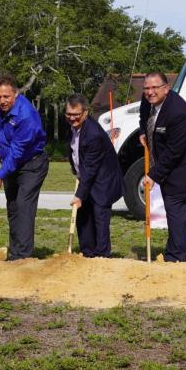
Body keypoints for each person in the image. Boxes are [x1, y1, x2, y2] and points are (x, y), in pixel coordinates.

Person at [139, 71, 186, 262]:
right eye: (147, 88)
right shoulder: (148, 100)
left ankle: (176, 256)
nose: (150, 92)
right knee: (173, 207)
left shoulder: (178, 113)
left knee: (175, 206)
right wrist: (144, 131)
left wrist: (153, 175)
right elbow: (143, 115)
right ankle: (173, 250)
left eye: (155, 88)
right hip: (171, 159)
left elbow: (173, 152)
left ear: (166, 88)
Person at [0, 74, 48, 260]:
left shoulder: (26, 116)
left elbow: (17, 152)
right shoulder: (0, 106)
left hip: (31, 164)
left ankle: (23, 258)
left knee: (23, 206)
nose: (2, 101)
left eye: (6, 97)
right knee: (13, 207)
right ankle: (15, 254)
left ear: (15, 94)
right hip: (11, 164)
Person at [65, 94, 122, 258]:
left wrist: (79, 195)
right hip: (87, 177)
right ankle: (87, 253)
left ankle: (102, 256)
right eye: (69, 114)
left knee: (99, 218)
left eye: (76, 115)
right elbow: (73, 150)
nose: (72, 118)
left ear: (85, 113)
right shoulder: (72, 127)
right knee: (83, 217)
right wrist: (75, 170)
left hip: (102, 181)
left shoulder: (93, 134)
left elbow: (90, 169)